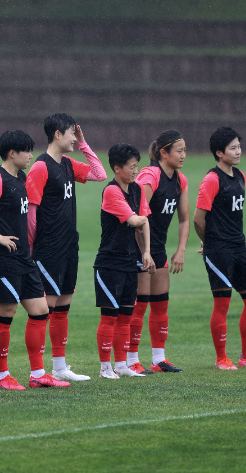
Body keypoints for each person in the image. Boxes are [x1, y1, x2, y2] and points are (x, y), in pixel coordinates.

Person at [0, 130, 70, 390]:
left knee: (40, 311)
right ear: (12, 153)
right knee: (6, 314)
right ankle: (3, 377)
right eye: (26, 151)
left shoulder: (21, 177)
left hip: (24, 259)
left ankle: (38, 374)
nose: (30, 155)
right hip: (2, 259)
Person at [25, 113, 106, 382]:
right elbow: (32, 215)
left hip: (70, 246)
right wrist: (34, 248)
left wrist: (83, 145)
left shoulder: (69, 164)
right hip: (48, 248)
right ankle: (39, 371)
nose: (75, 136)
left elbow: (99, 174)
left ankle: (59, 367)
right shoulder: (40, 167)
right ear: (57, 135)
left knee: (63, 305)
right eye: (72, 133)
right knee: (45, 308)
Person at [193, 127, 246, 370]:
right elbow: (199, 219)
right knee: (223, 304)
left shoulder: (241, 177)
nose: (238, 151)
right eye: (233, 148)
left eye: (239, 146)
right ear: (219, 152)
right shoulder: (211, 179)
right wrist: (209, 242)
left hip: (240, 247)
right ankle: (221, 359)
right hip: (219, 250)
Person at [129, 130, 189, 374]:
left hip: (159, 248)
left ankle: (159, 359)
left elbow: (184, 220)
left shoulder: (180, 180)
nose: (184, 155)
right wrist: (145, 252)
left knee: (160, 304)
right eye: (179, 151)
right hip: (137, 247)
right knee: (139, 305)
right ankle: (131, 359)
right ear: (163, 153)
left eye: (185, 150)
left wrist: (181, 250)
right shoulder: (150, 175)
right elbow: (137, 216)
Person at [94, 143, 153, 379]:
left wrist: (146, 252)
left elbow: (144, 220)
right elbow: (137, 220)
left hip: (130, 262)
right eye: (131, 166)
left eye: (137, 166)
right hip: (109, 263)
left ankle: (121, 365)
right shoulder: (111, 191)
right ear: (117, 168)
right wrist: (142, 222)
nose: (135, 171)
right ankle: (105, 368)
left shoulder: (137, 190)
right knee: (109, 317)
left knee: (126, 317)